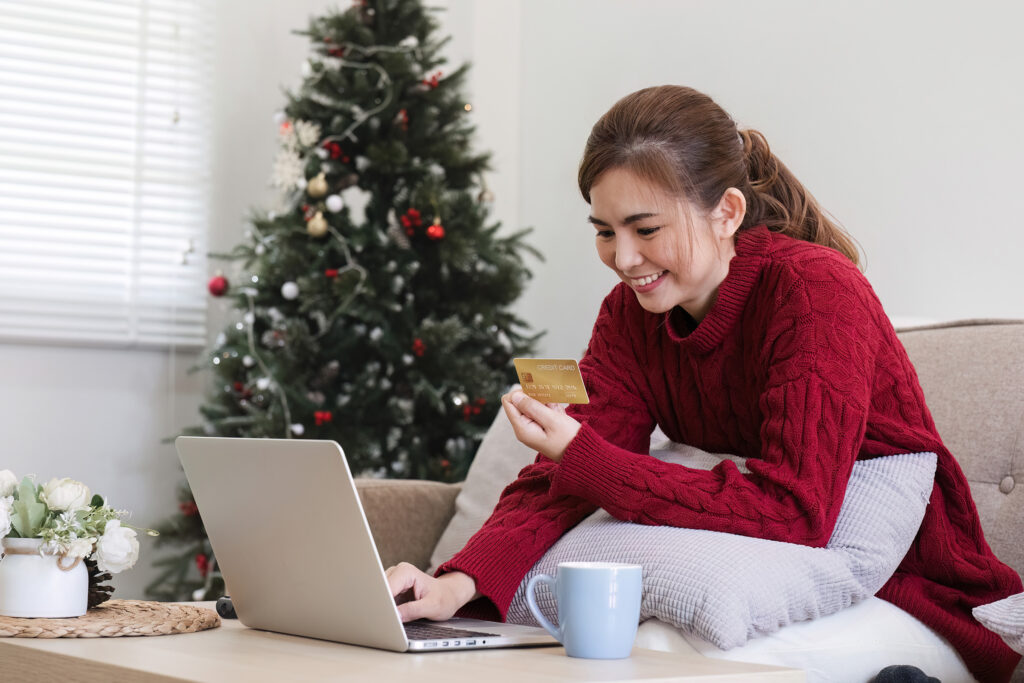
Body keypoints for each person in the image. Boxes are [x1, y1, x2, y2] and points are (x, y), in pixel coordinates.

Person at [385, 85, 1023, 682]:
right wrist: (456, 584)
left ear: (728, 212)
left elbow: (795, 509)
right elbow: (564, 477)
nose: (624, 259)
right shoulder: (628, 316)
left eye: (646, 228)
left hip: (911, 586)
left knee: (654, 653)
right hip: (771, 564)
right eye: (605, 232)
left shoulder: (814, 291)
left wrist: (587, 459)